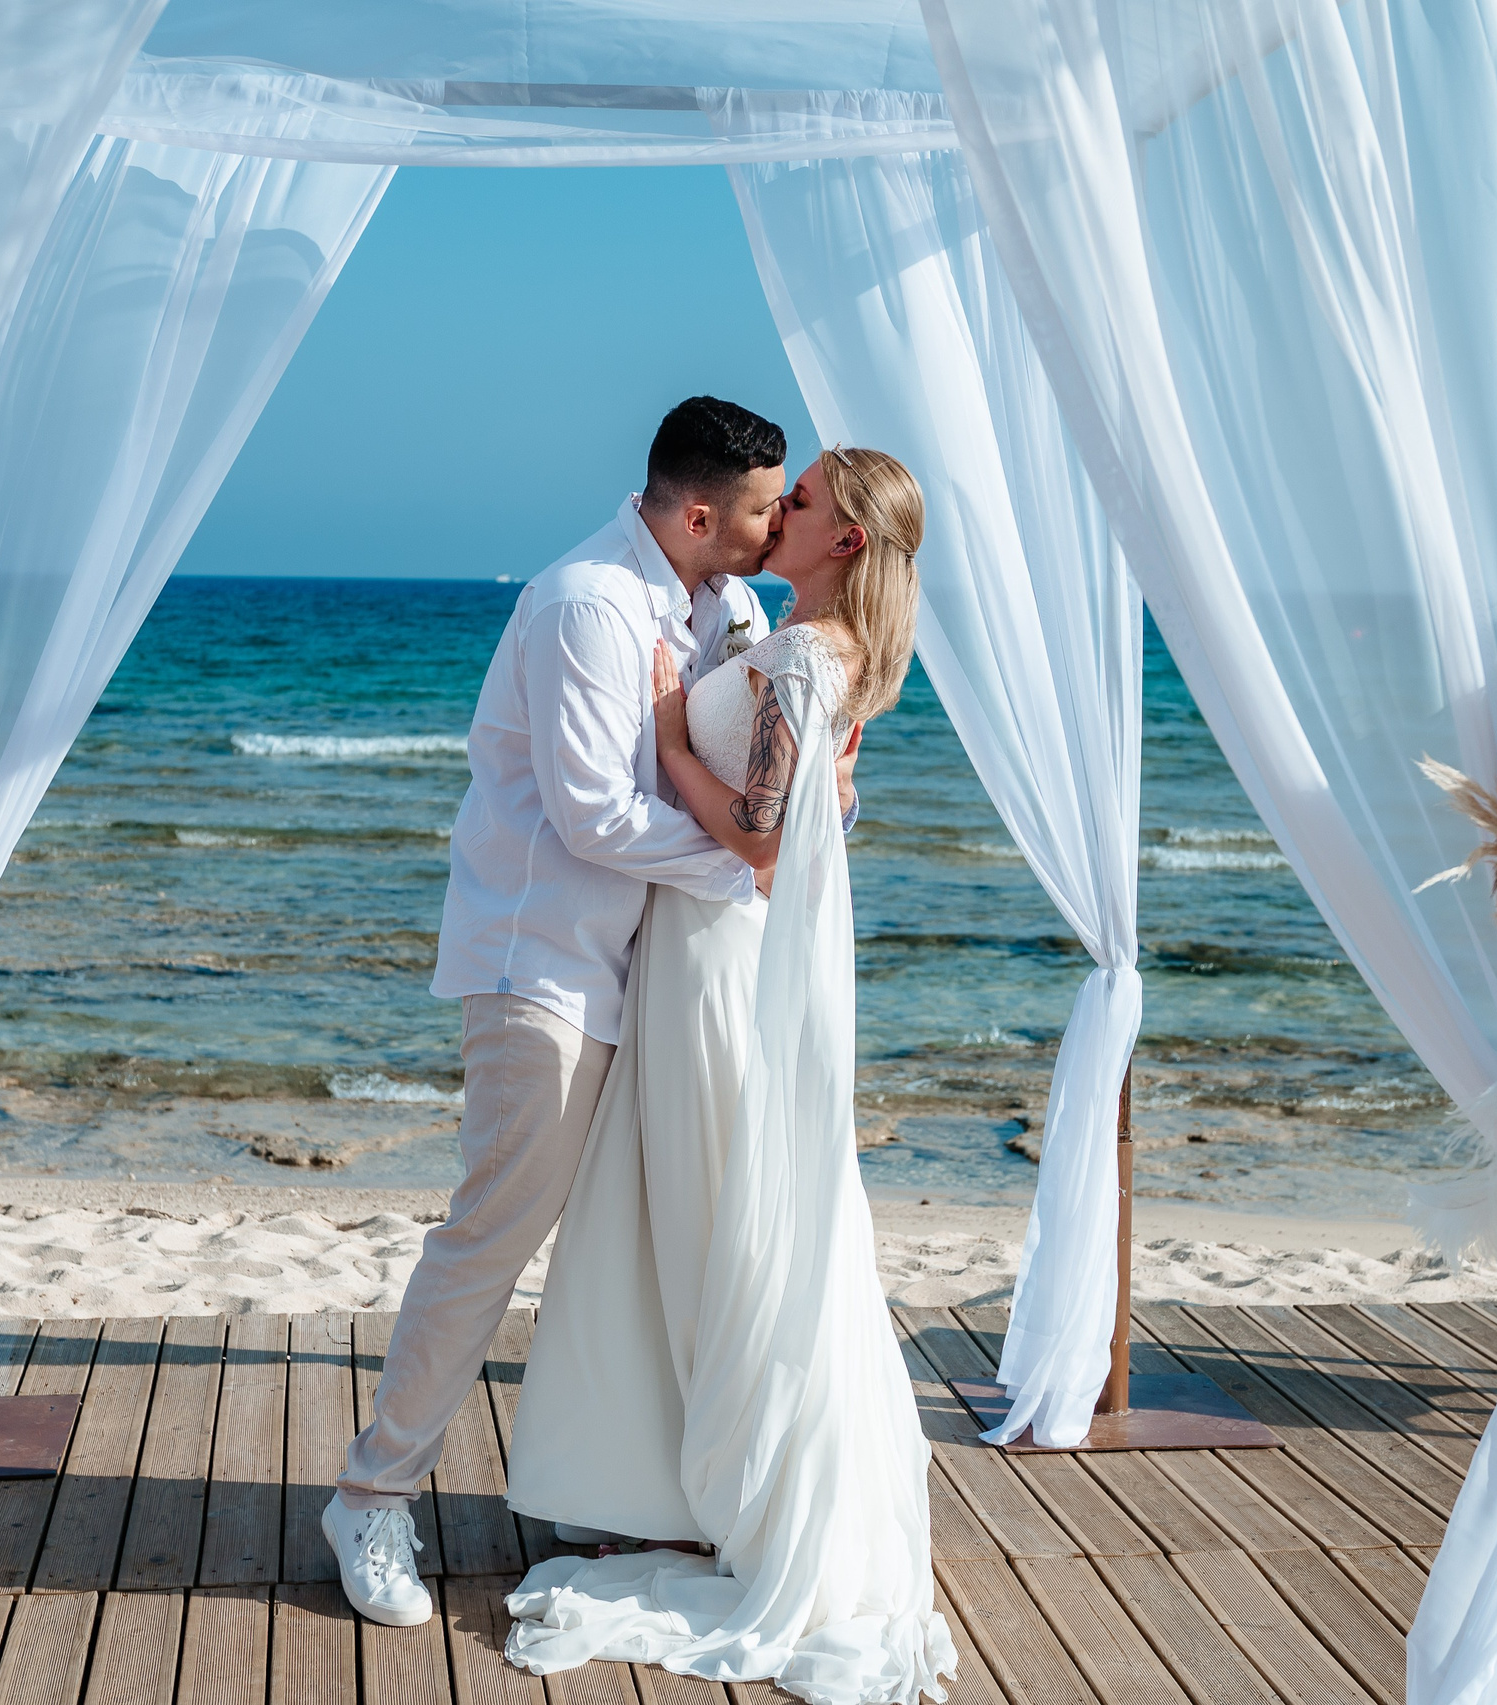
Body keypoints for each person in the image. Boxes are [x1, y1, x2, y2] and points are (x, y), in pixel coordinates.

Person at [320, 397, 800, 1626]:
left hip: (655, 971)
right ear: (700, 511)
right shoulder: (585, 603)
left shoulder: (723, 604)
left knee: (638, 1234)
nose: (774, 526)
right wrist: (755, 860)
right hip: (544, 968)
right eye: (760, 509)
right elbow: (594, 815)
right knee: (494, 1231)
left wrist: (774, 832)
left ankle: (625, 1482)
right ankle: (371, 1497)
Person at [500, 448, 958, 1705]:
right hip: (704, 953)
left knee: (713, 1216)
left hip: (722, 961)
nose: (775, 516)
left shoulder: (808, 656)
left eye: (797, 503)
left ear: (846, 540)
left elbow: (759, 836)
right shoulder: (793, 637)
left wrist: (660, 728)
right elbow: (804, 812)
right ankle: (682, 1484)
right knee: (691, 1214)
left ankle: (717, 1496)